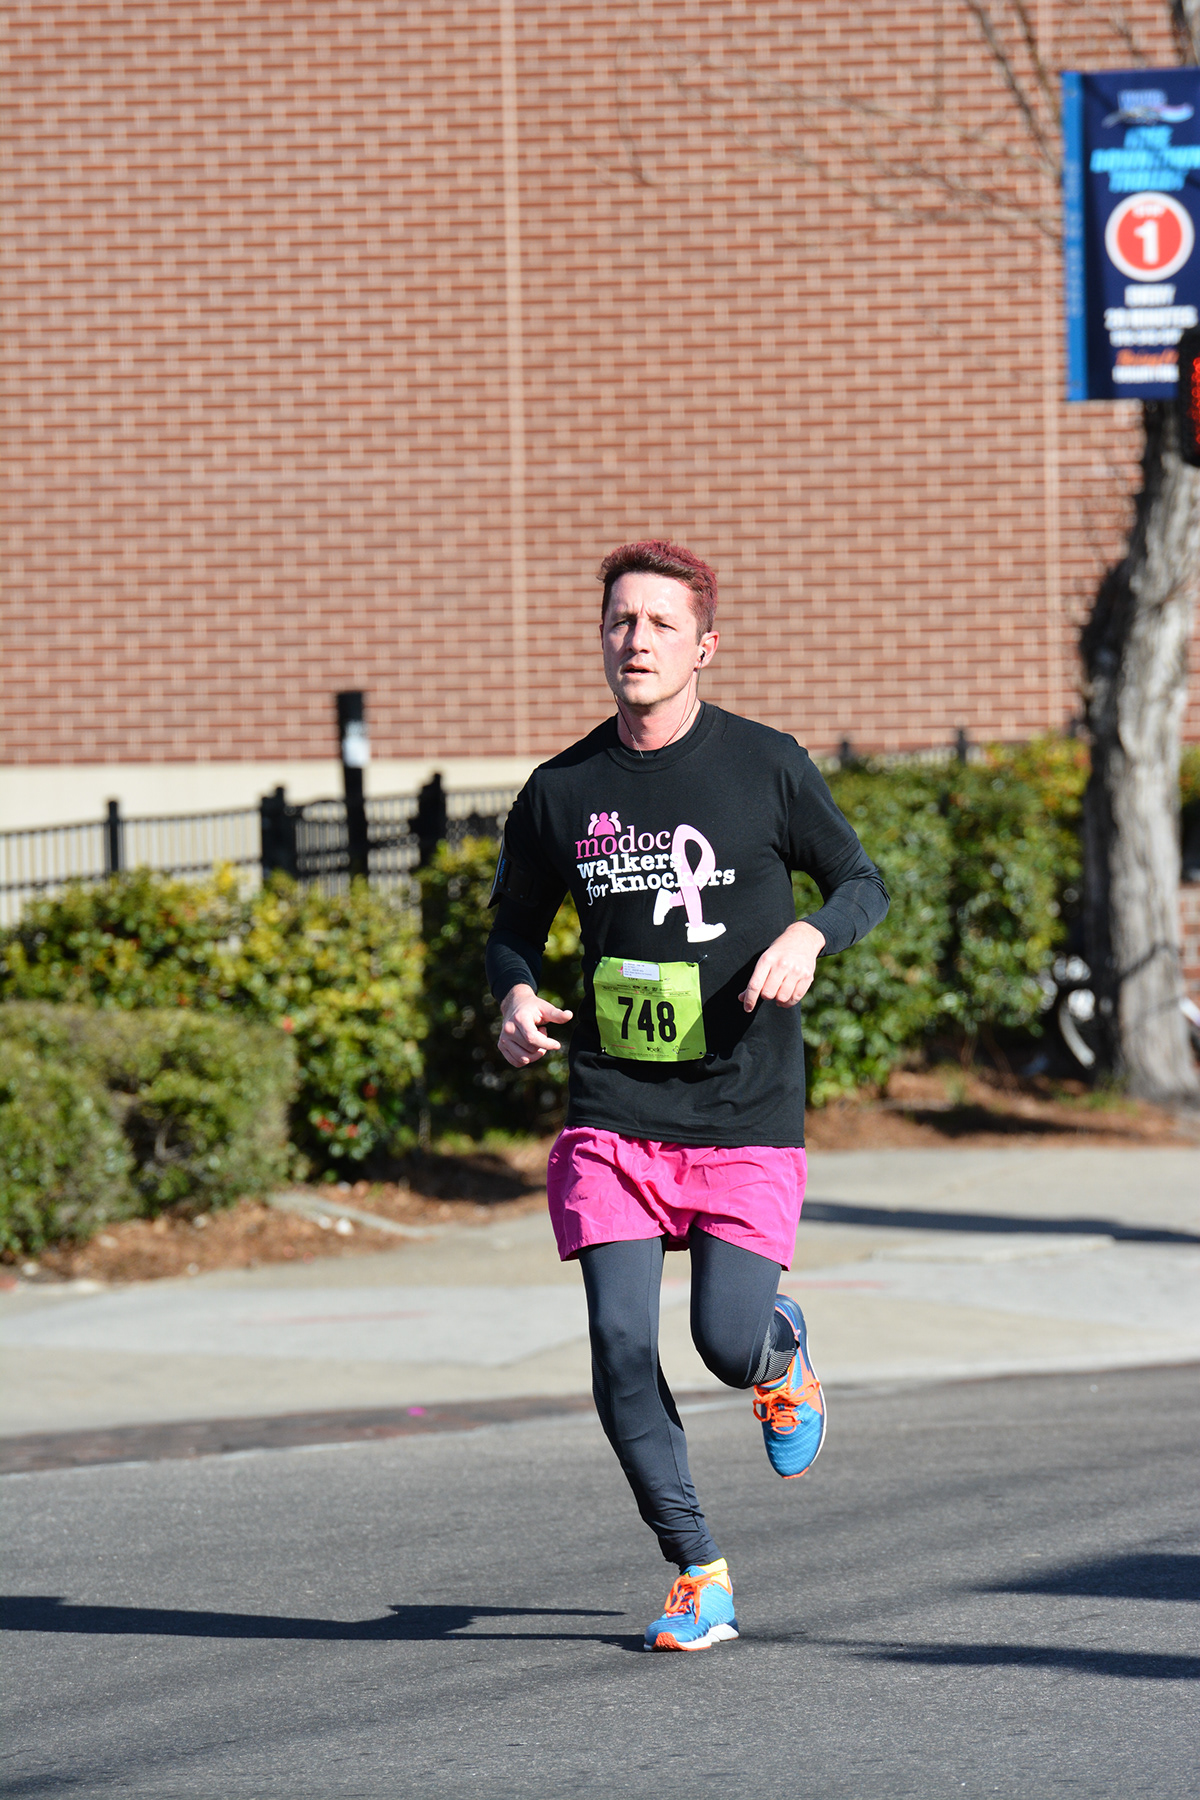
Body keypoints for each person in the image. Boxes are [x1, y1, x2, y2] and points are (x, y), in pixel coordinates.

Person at [485, 540, 888, 1651]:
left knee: (719, 1338)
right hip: (613, 1112)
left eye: (661, 624)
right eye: (621, 621)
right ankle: (696, 1571)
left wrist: (810, 932)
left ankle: (774, 1352)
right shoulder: (561, 792)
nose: (637, 641)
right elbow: (513, 930)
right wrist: (514, 997)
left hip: (743, 1108)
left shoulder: (763, 765)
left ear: (703, 646)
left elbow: (864, 881)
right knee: (619, 1347)